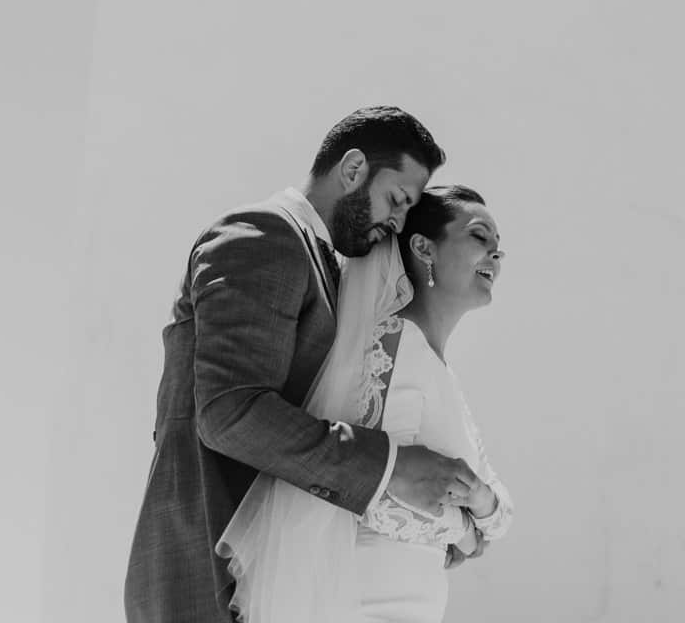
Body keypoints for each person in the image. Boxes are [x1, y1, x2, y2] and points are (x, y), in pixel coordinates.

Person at [125, 106, 488, 623]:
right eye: (397, 200)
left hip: (268, 580)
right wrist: (388, 468)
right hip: (206, 568)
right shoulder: (262, 236)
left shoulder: (329, 267)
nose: (398, 224)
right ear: (354, 168)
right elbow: (231, 413)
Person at [219, 185, 513, 623]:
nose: (496, 254)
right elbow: (358, 490)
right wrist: (465, 529)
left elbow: (500, 512)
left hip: (414, 602)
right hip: (365, 597)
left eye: (499, 247)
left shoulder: (443, 373)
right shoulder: (387, 348)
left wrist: (483, 506)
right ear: (423, 248)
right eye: (478, 237)